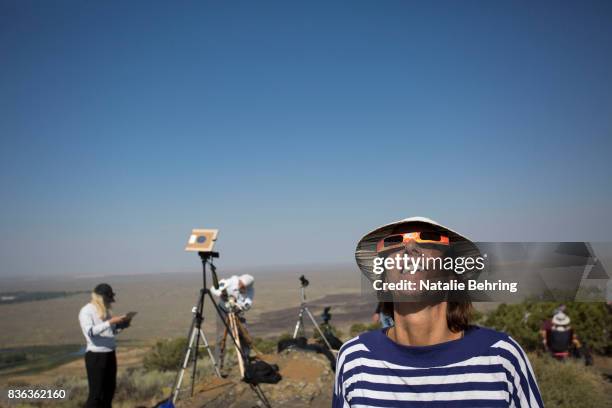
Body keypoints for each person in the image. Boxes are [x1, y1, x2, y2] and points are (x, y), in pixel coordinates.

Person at [336, 217, 543, 407]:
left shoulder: (500, 357)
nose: (410, 247)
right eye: (394, 241)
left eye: (428, 239)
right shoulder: (355, 360)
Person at [78, 283, 133, 408]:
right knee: (96, 395)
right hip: (96, 357)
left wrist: (121, 326)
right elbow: (90, 332)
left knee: (109, 391)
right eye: (108, 299)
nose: (110, 302)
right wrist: (110, 322)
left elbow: (110, 332)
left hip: (110, 354)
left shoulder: (105, 311)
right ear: (101, 297)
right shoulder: (86, 311)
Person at [211, 274, 255, 360]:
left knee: (243, 334)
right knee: (221, 337)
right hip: (223, 311)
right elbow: (213, 288)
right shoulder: (231, 281)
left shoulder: (250, 291)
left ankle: (246, 358)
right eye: (240, 283)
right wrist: (221, 294)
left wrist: (240, 305)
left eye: (242, 286)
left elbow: (248, 304)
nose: (240, 286)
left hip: (237, 312)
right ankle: (218, 363)